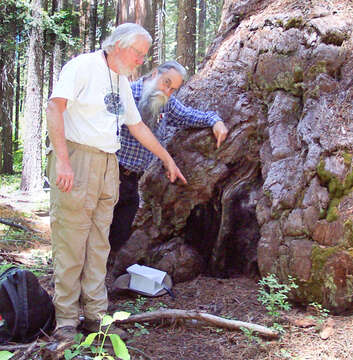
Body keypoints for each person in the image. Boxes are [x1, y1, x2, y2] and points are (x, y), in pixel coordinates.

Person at [45, 23, 187, 342]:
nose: (141, 61)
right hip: (78, 159)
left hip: (109, 163)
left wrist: (167, 158)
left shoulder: (120, 80)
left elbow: (137, 127)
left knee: (99, 244)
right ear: (119, 45)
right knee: (71, 241)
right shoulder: (82, 66)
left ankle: (95, 316)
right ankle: (66, 321)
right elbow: (55, 107)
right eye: (138, 53)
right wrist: (64, 161)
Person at [108, 61, 228, 255]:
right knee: (96, 232)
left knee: (119, 235)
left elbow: (188, 116)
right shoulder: (126, 94)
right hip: (109, 174)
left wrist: (215, 121)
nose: (167, 91)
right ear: (155, 73)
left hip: (133, 181)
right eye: (166, 83)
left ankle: (100, 278)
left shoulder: (166, 103)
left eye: (173, 89)